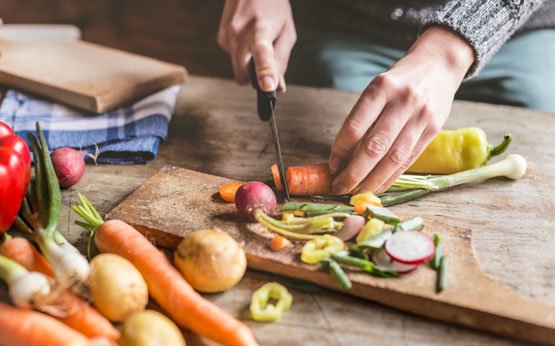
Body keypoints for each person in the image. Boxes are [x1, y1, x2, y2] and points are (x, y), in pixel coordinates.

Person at [217, 0, 554, 194]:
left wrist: (448, 53)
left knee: (536, 112)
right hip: (349, 23)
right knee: (348, 131)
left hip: (512, 28)